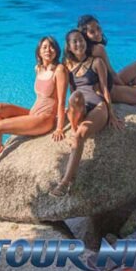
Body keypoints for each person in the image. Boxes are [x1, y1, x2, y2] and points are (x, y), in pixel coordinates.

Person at [0, 36, 69, 185]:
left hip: (45, 119)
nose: (49, 50)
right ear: (39, 52)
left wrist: (59, 127)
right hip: (33, 114)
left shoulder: (60, 70)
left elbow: (61, 101)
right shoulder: (39, 68)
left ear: (57, 50)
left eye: (52, 47)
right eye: (45, 47)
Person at [51, 29, 118, 197]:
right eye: (75, 41)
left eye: (81, 40)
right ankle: (74, 127)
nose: (79, 44)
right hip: (79, 107)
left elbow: (104, 89)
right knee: (76, 96)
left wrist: (112, 114)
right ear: (69, 46)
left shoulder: (96, 62)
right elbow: (64, 92)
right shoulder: (66, 65)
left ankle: (66, 182)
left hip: (97, 106)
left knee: (80, 136)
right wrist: (60, 125)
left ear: (85, 42)